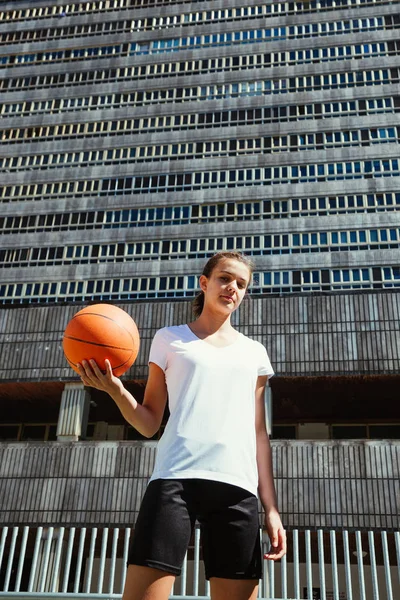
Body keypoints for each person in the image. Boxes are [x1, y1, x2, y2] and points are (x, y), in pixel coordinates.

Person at [78, 251, 286, 600]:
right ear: (204, 283)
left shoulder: (255, 353)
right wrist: (116, 390)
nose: (232, 287)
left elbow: (258, 434)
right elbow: (148, 422)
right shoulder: (169, 338)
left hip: (237, 487)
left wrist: (271, 508)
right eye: (224, 278)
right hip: (174, 480)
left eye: (241, 283)